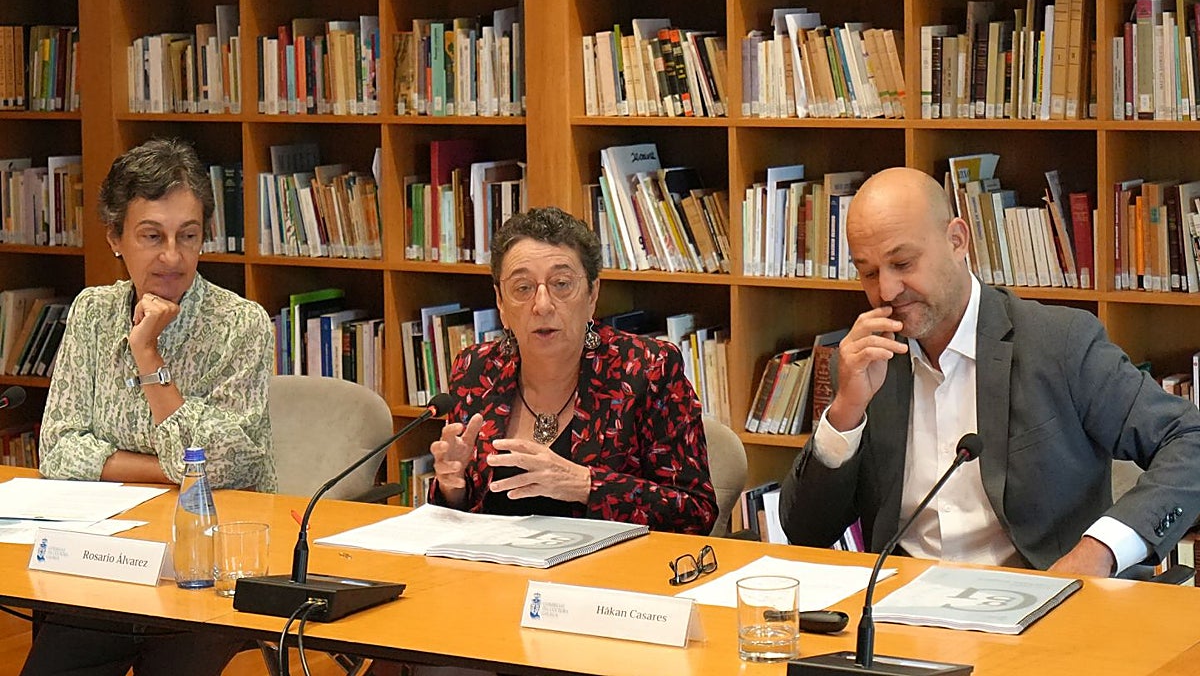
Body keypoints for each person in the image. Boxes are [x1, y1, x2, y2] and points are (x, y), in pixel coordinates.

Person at [780, 167, 1200, 578]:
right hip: (901, 604)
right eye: (869, 273)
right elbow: (806, 531)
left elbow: (1188, 440)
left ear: (957, 241)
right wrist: (846, 411)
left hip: (1045, 599)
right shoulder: (866, 363)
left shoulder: (1059, 343)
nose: (886, 291)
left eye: (903, 263)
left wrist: (1100, 551)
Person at [23, 137, 276, 676]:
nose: (172, 257)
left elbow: (228, 468)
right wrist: (177, 471)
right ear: (115, 237)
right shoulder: (92, 313)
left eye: (188, 235)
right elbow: (59, 452)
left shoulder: (241, 325)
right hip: (108, 556)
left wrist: (148, 357)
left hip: (209, 567)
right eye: (152, 236)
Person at [429, 206, 717, 535]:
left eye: (562, 284)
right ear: (501, 303)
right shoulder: (476, 371)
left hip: (612, 565)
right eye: (522, 288)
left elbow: (696, 513)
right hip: (496, 563)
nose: (542, 305)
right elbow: (459, 514)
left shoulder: (647, 369)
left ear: (592, 294)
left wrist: (585, 485)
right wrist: (452, 487)